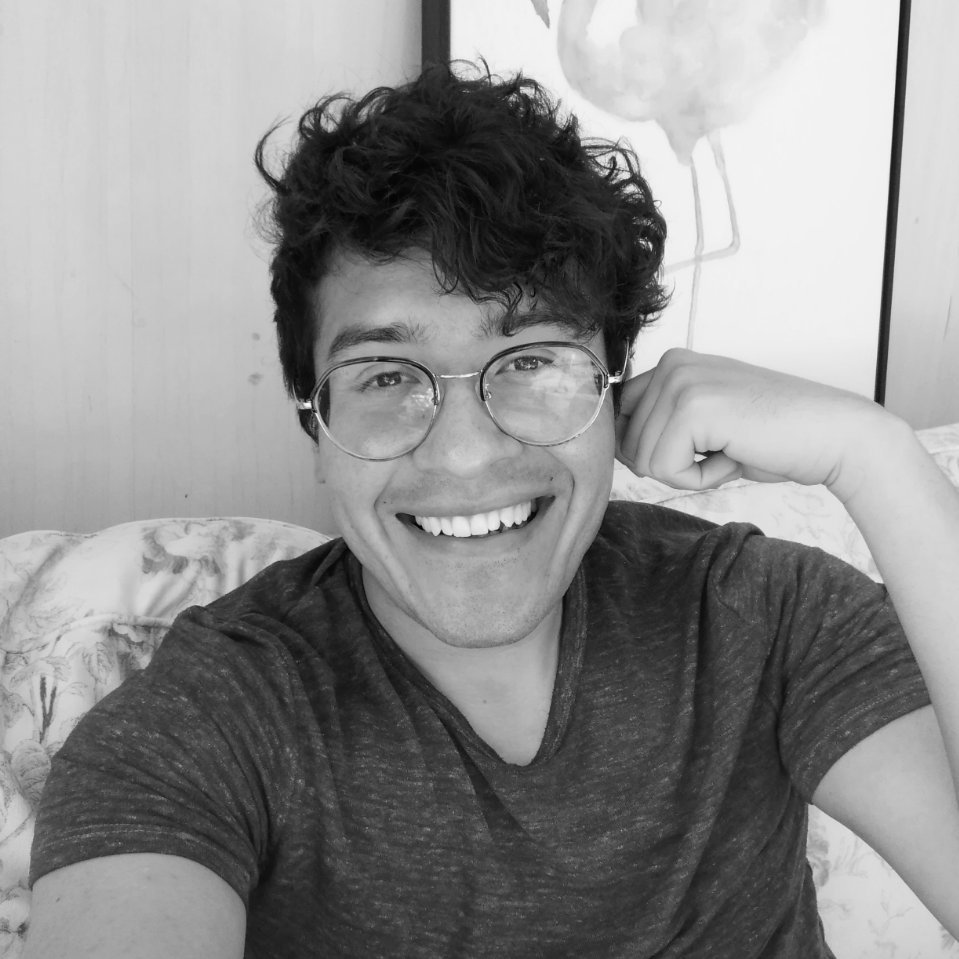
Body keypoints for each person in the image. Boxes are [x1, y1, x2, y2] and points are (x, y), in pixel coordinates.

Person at [23, 62, 959, 958]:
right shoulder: (205, 724)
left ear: (612, 395)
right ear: (317, 424)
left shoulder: (759, 613)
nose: (464, 452)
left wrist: (874, 455)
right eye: (385, 375)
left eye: (533, 360)